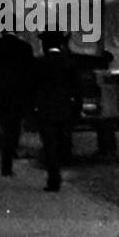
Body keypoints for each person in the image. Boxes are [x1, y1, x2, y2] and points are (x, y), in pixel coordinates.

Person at [32, 31, 80, 193]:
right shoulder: (69, 63)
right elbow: (76, 90)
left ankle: (54, 178)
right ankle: (58, 171)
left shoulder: (39, 63)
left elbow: (33, 89)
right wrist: (76, 110)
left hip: (45, 110)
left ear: (45, 45)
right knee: (60, 141)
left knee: (49, 144)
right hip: (64, 109)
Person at [0, 0, 34, 177]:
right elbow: (30, 73)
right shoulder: (24, 48)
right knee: (12, 129)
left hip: (0, 92)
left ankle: (5, 160)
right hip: (16, 95)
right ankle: (8, 162)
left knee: (3, 126)